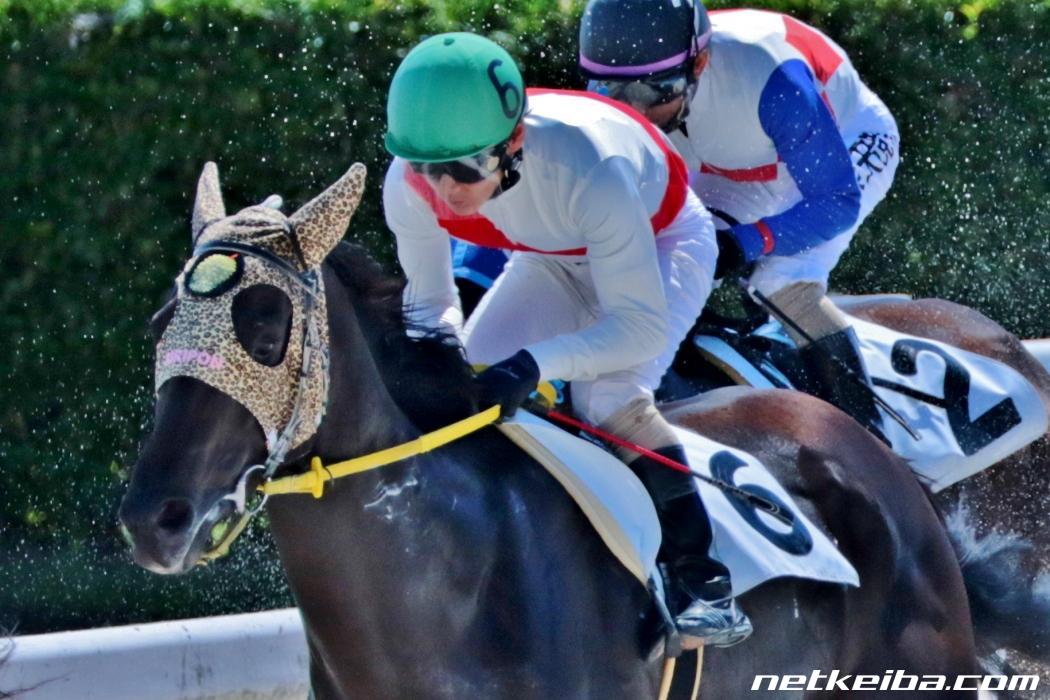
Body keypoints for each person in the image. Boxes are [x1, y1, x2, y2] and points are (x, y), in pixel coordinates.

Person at [382, 31, 751, 647]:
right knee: (465, 391)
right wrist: (440, 366)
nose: (444, 191)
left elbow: (638, 330)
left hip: (664, 242)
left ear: (514, 143)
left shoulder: (588, 166)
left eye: (465, 169)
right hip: (551, 255)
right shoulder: (406, 185)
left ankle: (703, 584)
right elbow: (432, 307)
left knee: (607, 398)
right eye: (427, 168)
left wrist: (537, 363)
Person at [579, 0, 901, 437]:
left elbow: (836, 201)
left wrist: (750, 241)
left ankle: (873, 433)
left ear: (699, 65)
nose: (636, 113)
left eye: (654, 93)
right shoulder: (658, 79)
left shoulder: (774, 79)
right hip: (732, 166)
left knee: (779, 283)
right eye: (612, 91)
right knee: (672, 255)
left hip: (842, 142)